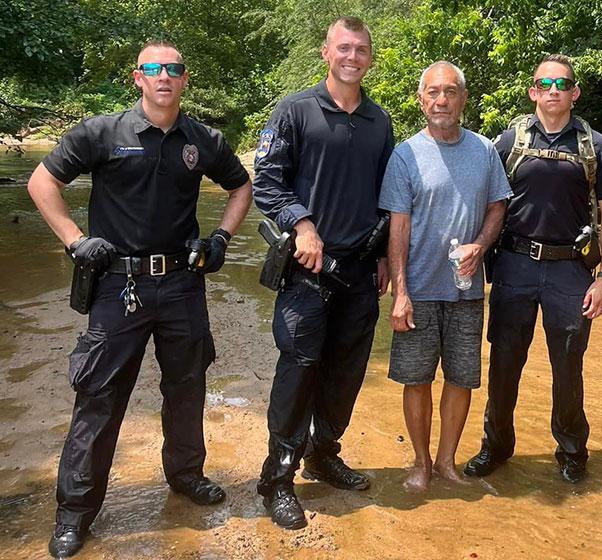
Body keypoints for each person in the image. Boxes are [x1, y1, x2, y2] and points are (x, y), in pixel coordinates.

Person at [27, 41, 252, 557]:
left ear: (184, 78)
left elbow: (243, 187)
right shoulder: (102, 133)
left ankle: (186, 476)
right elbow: (42, 182)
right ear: (138, 78)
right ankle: (75, 513)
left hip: (182, 284)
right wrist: (76, 240)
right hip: (117, 287)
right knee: (100, 398)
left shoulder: (203, 139)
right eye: (154, 69)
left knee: (187, 386)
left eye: (173, 69)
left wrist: (220, 239)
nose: (164, 77)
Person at [251, 16, 394, 529]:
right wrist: (302, 224)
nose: (351, 57)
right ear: (325, 53)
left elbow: (386, 197)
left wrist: (382, 257)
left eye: (360, 49)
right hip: (307, 270)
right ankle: (278, 477)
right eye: (343, 48)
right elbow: (266, 183)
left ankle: (323, 453)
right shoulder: (294, 111)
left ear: (370, 58)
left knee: (347, 371)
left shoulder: (380, 122)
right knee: (298, 369)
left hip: (359, 272)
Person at [463, 54, 602, 484]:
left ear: (575, 93)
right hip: (514, 264)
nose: (553, 89)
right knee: (504, 362)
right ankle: (496, 447)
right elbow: (485, 201)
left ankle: (571, 450)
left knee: (568, 365)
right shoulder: (508, 141)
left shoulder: (597, 146)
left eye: (562, 83)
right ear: (533, 91)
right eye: (545, 83)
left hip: (571, 269)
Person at [379, 61, 511, 491]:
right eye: (433, 93)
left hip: (467, 290)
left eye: (450, 92)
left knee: (461, 378)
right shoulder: (405, 155)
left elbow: (497, 206)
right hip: (418, 288)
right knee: (416, 379)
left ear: (463, 99)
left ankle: (447, 463)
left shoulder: (485, 151)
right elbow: (397, 226)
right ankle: (419, 463)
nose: (442, 100)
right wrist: (400, 293)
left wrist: (481, 245)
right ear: (421, 101)